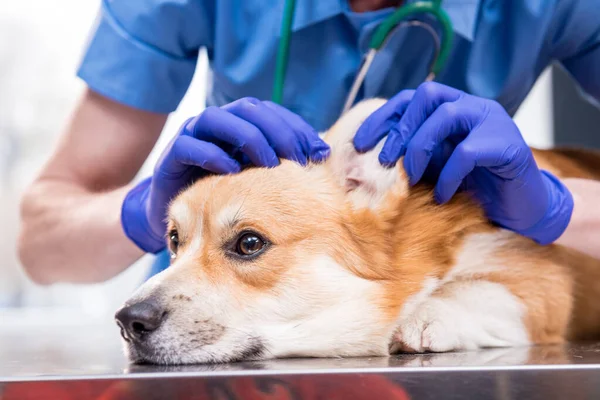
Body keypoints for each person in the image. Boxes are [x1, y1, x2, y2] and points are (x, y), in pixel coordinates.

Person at [18, 0, 600, 284]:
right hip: (218, 329)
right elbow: (38, 247)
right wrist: (141, 212)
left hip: (436, 315)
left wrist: (555, 208)